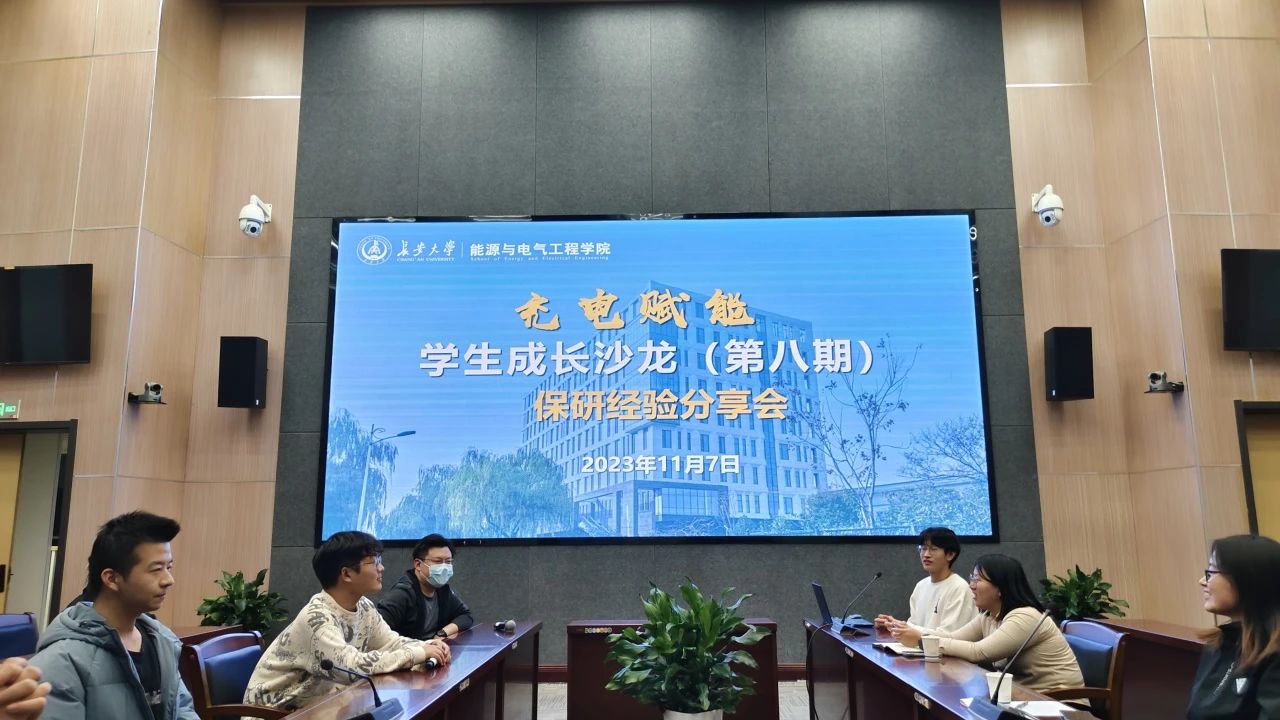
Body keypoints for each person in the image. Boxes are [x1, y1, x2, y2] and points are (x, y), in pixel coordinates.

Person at [244, 531, 451, 713]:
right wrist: (418, 653)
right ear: (346, 573)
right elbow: (352, 667)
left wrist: (428, 646)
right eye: (374, 561)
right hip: (277, 714)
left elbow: (390, 642)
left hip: (323, 706)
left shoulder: (364, 606)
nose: (382, 568)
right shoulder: (316, 619)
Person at [29, 511, 200, 720]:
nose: (168, 580)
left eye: (169, 567)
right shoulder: (62, 661)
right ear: (111, 578)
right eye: (156, 570)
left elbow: (182, 709)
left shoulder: (161, 641)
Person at [892, 554, 1083, 692]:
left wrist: (922, 640)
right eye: (971, 578)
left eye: (977, 580)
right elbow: (953, 637)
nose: (971, 585)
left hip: (1058, 703)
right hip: (1019, 698)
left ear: (1000, 588)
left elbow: (978, 652)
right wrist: (906, 629)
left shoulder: (1025, 616)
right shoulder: (989, 615)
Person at [1187, 534, 1280, 719]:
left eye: (1212, 572)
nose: (1203, 581)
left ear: (1247, 579)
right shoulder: (1217, 643)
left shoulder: (1274, 652)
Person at [874, 527, 977, 633]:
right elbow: (913, 626)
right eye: (923, 549)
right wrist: (892, 626)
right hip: (919, 644)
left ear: (950, 554)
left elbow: (949, 634)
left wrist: (901, 627)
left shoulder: (959, 588)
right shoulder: (921, 586)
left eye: (933, 549)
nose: (926, 555)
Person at [377, 534, 474, 640]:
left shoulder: (442, 589)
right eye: (438, 561)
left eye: (448, 562)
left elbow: (466, 616)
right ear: (418, 564)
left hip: (435, 648)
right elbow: (378, 632)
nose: (444, 567)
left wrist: (443, 633)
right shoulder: (403, 593)